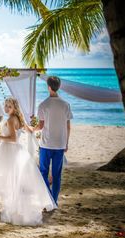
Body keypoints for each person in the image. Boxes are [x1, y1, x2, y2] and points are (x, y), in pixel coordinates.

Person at [0, 97, 56, 226]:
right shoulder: (20, 118)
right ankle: (16, 206)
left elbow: (13, 139)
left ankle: (14, 208)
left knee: (12, 179)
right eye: (6, 105)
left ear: (14, 108)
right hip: (19, 151)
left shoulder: (10, 120)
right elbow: (29, 130)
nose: (6, 108)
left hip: (11, 151)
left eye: (9, 106)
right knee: (16, 180)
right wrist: (38, 129)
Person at [31, 76, 73, 205]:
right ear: (58, 87)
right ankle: (54, 201)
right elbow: (68, 127)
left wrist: (32, 129)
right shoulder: (66, 104)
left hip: (46, 144)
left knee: (43, 172)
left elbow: (41, 126)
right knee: (56, 175)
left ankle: (48, 197)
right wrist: (66, 143)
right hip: (60, 144)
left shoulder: (43, 105)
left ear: (49, 87)